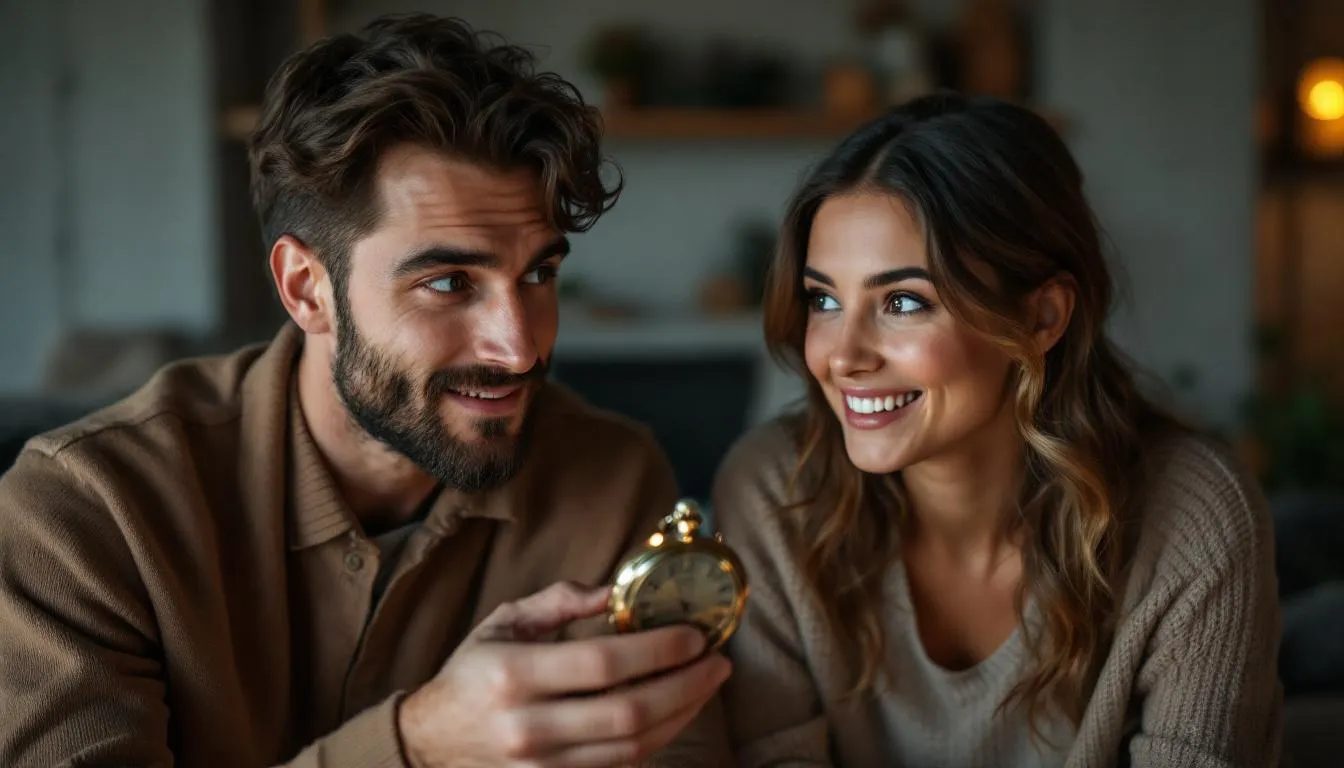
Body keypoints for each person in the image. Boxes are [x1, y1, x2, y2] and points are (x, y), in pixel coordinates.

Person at [0, 15, 730, 767]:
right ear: (306, 288)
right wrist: (417, 745)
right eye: (448, 283)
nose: (519, 349)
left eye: (539, 274)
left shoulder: (613, 482)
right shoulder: (83, 516)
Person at [713, 93, 1281, 766]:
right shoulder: (773, 493)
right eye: (824, 299)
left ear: (1042, 318)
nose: (842, 357)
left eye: (903, 302)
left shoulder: (1193, 516)